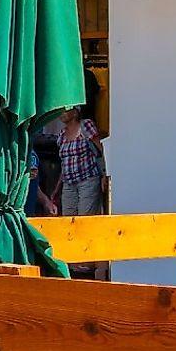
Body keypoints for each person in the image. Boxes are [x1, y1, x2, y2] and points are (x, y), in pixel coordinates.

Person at [55, 103, 110, 278]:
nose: (62, 113)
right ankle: (72, 262)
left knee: (85, 219)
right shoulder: (62, 135)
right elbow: (63, 165)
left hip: (88, 179)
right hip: (69, 183)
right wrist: (56, 189)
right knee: (68, 220)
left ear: (76, 111)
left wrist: (104, 174)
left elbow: (99, 149)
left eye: (66, 109)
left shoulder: (85, 126)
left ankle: (86, 265)